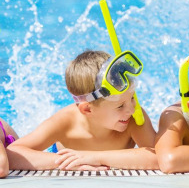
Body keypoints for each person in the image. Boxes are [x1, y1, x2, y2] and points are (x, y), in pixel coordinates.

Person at [7, 50, 158, 171]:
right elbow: (13, 154)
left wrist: (94, 158)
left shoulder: (134, 118)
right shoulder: (66, 122)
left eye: (132, 98)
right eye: (120, 106)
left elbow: (159, 157)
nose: (131, 109)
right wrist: (66, 162)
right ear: (87, 109)